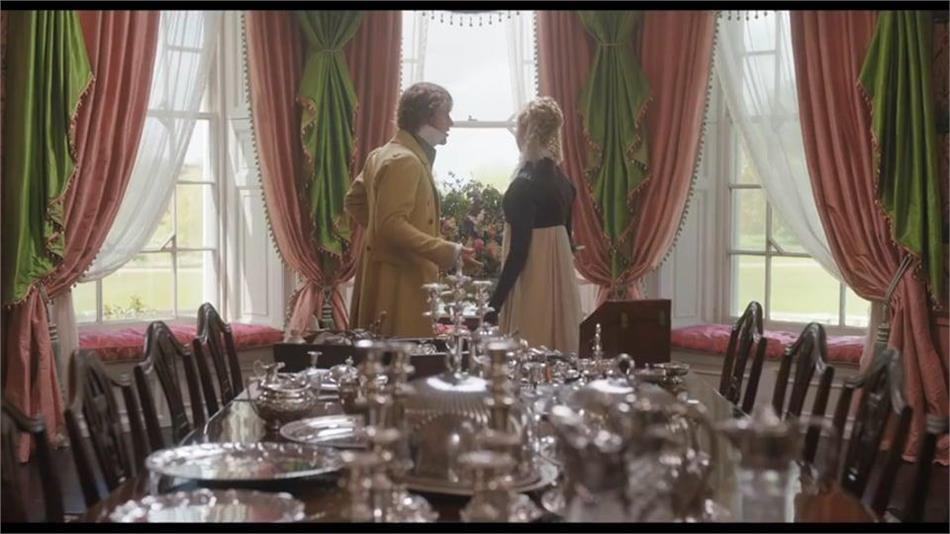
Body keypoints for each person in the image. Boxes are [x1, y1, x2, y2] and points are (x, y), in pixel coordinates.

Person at [344, 82, 477, 338]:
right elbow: (390, 224)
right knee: (401, 356)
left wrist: (379, 234)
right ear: (427, 116)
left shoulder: (382, 154)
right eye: (446, 114)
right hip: (399, 281)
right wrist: (447, 251)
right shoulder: (406, 160)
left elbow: (355, 202)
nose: (450, 123)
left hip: (385, 274)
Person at [486, 97, 582, 353]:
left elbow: (518, 252)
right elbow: (568, 242)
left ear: (526, 133)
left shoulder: (523, 186)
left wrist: (493, 305)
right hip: (560, 285)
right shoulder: (564, 183)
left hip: (532, 283)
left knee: (531, 344)